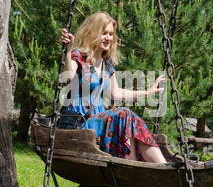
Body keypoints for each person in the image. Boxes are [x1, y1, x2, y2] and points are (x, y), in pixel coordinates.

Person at [59, 11, 167, 163]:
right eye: (104, 33)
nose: (108, 38)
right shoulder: (78, 56)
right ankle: (135, 166)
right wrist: (68, 50)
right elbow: (69, 75)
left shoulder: (107, 63)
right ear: (93, 33)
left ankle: (162, 167)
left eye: (111, 34)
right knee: (124, 114)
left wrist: (147, 93)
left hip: (100, 122)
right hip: (80, 123)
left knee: (131, 122)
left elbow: (115, 93)